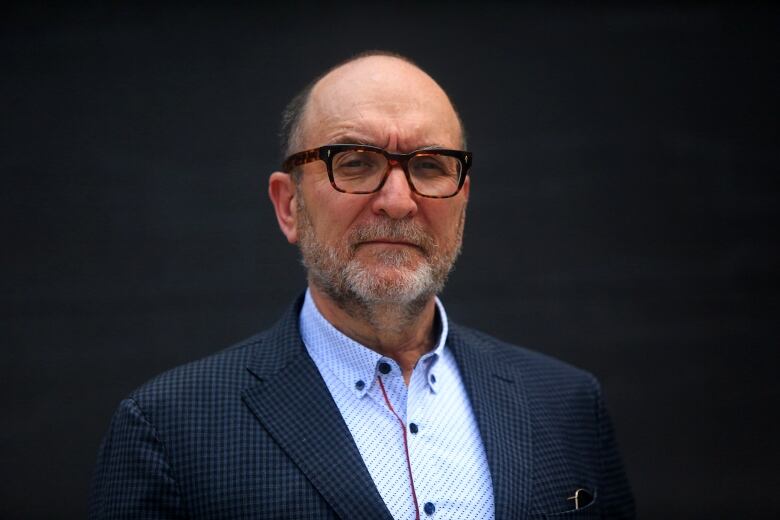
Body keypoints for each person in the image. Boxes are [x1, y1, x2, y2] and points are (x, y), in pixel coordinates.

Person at [89, 51, 634, 519]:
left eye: (430, 167)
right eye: (353, 162)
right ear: (288, 205)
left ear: (462, 198)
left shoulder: (566, 404)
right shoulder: (170, 429)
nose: (397, 202)